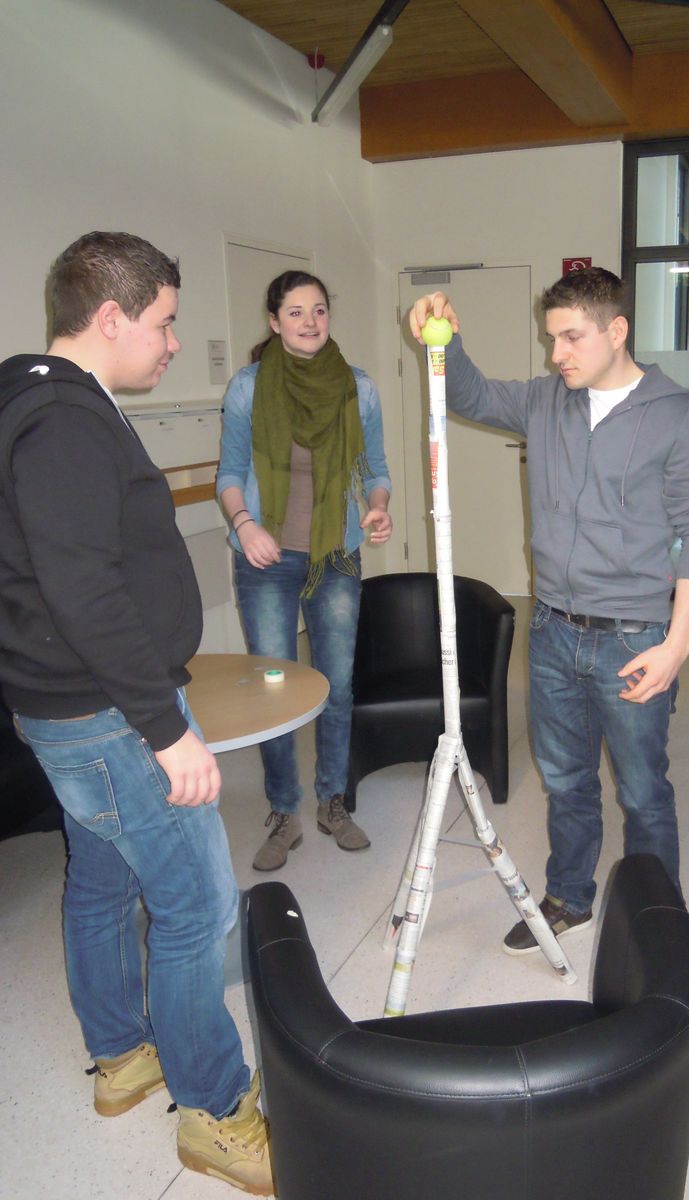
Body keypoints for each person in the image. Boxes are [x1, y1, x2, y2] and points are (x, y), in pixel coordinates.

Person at [0, 232, 272, 1194]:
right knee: (195, 905)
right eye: (164, 323)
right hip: (111, 716)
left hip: (71, 707)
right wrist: (166, 728)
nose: (173, 342)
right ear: (110, 317)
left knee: (104, 881)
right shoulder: (65, 422)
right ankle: (215, 1111)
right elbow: (84, 590)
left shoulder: (30, 396)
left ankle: (120, 1055)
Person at [409, 267, 689, 954]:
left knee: (642, 791)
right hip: (553, 630)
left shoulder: (678, 413)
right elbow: (468, 392)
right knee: (566, 780)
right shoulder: (545, 400)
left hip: (635, 637)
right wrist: (445, 342)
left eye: (572, 337)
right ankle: (570, 896)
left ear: (618, 330)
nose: (557, 354)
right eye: (552, 338)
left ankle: (657, 918)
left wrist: (677, 645)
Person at [217, 270, 392, 869]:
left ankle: (332, 801)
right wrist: (246, 526)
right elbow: (229, 473)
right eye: (295, 312)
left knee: (335, 686)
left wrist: (377, 506)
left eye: (318, 309)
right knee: (275, 693)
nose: (310, 321)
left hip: (336, 555)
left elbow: (375, 469)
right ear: (274, 321)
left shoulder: (357, 388)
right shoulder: (248, 388)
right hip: (264, 559)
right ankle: (284, 811)